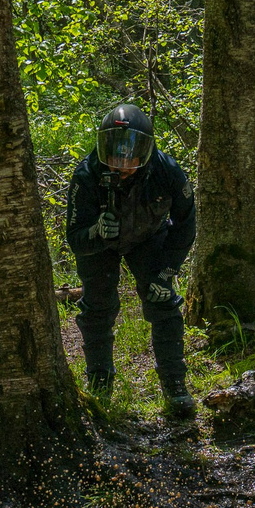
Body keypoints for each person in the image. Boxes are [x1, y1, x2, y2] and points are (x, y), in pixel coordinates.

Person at [65, 100, 199, 421]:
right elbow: (75, 237)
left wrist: (167, 271)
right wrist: (96, 232)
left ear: (145, 151)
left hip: (148, 239)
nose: (121, 166)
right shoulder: (86, 176)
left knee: (162, 301)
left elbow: (186, 224)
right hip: (100, 247)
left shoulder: (167, 171)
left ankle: (175, 385)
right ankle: (100, 387)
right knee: (98, 309)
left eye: (129, 158)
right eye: (114, 156)